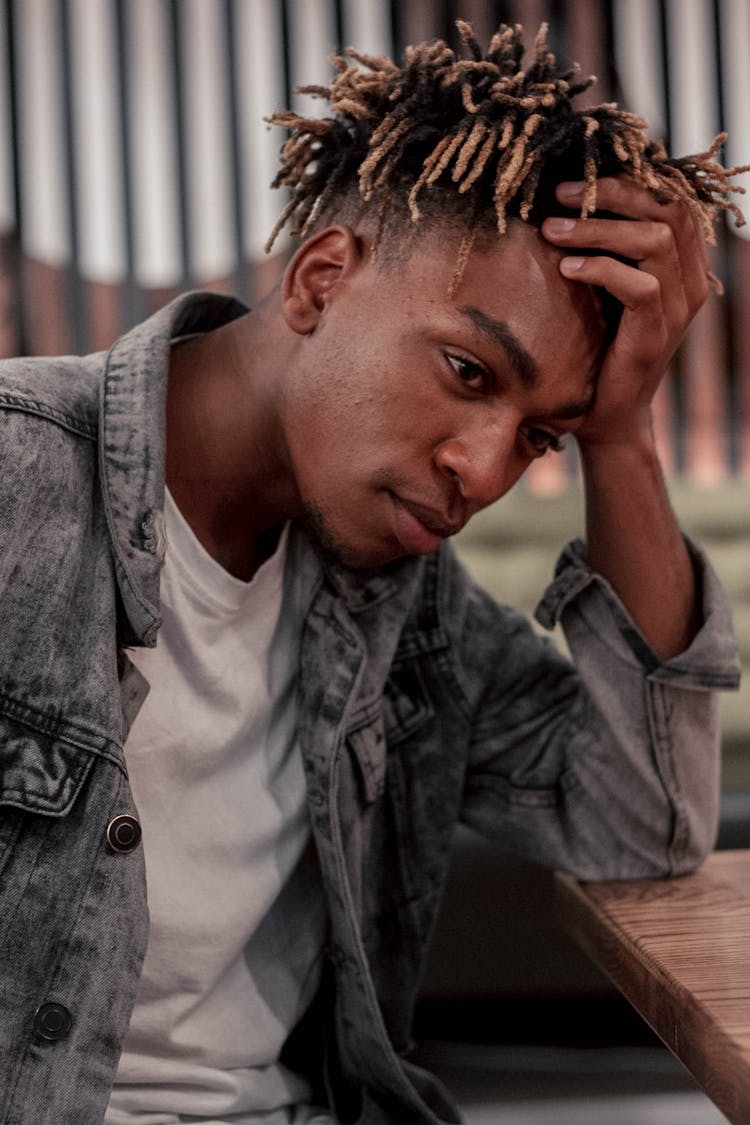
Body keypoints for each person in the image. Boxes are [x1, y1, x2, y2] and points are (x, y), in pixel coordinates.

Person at [0, 20, 744, 1125]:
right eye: (466, 370)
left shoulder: (400, 594)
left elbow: (638, 827)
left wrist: (621, 436)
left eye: (543, 435)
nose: (483, 470)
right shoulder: (19, 482)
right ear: (320, 278)